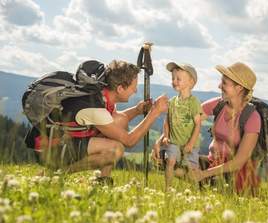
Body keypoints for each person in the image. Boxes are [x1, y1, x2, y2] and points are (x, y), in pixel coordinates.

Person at [34, 60, 168, 183]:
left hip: (64, 141)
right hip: (51, 150)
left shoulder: (102, 96)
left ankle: (103, 180)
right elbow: (129, 141)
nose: (135, 90)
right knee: (116, 149)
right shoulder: (95, 107)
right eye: (133, 86)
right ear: (120, 88)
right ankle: (55, 174)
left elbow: (116, 120)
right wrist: (155, 112)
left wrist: (138, 110)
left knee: (119, 120)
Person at [154, 62, 261, 194]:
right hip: (211, 163)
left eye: (224, 83)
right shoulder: (218, 104)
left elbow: (239, 161)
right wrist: (162, 139)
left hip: (235, 173)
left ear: (239, 88)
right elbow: (183, 122)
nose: (219, 86)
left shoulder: (252, 117)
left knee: (219, 186)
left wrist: (204, 174)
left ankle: (209, 187)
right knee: (168, 158)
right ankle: (205, 186)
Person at [156, 62, 202, 190]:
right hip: (174, 141)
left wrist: (191, 144)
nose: (174, 81)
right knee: (170, 161)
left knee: (191, 170)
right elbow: (167, 120)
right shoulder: (172, 102)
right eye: (173, 78)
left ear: (191, 82)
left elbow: (198, 124)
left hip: (190, 143)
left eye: (178, 79)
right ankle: (167, 189)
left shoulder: (194, 102)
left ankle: (195, 190)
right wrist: (165, 136)